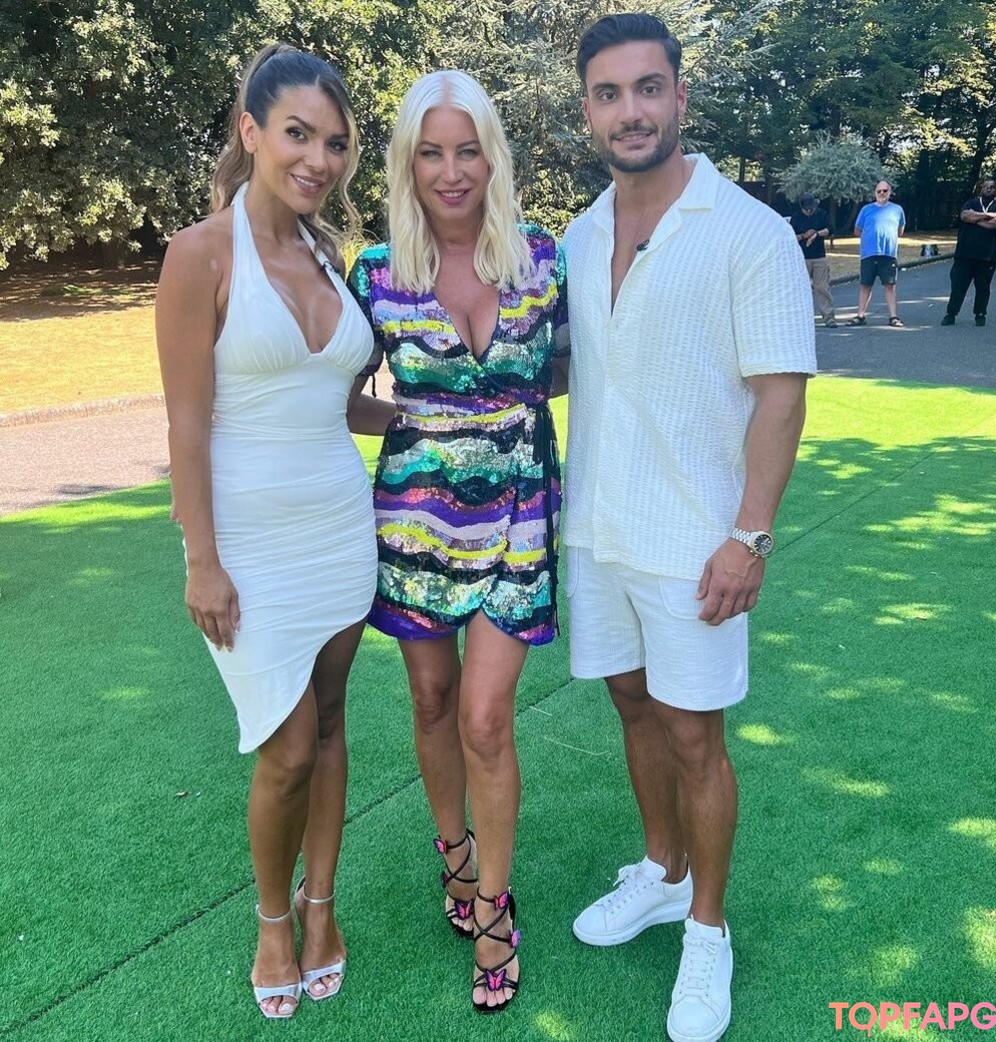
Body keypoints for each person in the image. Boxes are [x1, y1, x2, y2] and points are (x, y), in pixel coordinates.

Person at [563, 15, 816, 1042]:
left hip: (698, 544)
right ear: (588, 110)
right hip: (597, 530)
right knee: (631, 707)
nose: (631, 111)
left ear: (680, 96)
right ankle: (662, 872)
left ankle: (707, 931)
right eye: (609, 93)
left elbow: (782, 395)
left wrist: (749, 535)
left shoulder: (749, 231)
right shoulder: (579, 234)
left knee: (695, 737)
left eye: (648, 88)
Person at [155, 44, 392, 1019]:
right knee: (287, 746)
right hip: (247, 549)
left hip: (339, 528)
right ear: (251, 132)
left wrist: (432, 415)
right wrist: (202, 559)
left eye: (334, 143)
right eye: (299, 134)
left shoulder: (329, 257)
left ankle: (321, 906)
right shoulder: (200, 255)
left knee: (330, 724)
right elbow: (186, 426)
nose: (318, 159)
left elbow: (334, 402)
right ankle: (271, 921)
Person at [347, 69, 568, 1014]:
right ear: (408, 162)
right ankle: (455, 855)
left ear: (493, 156)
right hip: (416, 521)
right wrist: (418, 423)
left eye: (467, 150)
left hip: (520, 515)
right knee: (433, 700)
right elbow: (335, 393)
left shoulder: (544, 261)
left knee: (484, 716)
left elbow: (574, 368)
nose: (451, 171)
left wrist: (505, 413)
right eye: (431, 152)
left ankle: (492, 908)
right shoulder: (376, 273)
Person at [940, 179, 996, 327]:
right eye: (986, 187)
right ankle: (951, 313)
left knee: (983, 287)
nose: (989, 189)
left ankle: (980, 314)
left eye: (992, 187)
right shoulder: (971, 203)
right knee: (958, 285)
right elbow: (965, 216)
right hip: (965, 254)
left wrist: (976, 219)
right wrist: (988, 216)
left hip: (987, 256)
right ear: (981, 189)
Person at [849, 180, 905, 327]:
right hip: (869, 253)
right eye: (879, 191)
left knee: (890, 285)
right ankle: (860, 315)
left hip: (888, 253)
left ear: (890, 192)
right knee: (865, 284)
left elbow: (900, 230)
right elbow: (857, 230)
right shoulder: (866, 209)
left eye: (885, 190)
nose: (882, 193)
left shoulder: (897, 209)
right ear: (875, 193)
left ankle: (893, 317)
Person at [790, 192, 837, 326]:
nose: (809, 211)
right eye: (806, 209)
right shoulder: (796, 218)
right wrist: (803, 236)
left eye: (811, 208)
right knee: (800, 288)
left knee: (822, 287)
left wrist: (816, 234)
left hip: (819, 256)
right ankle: (800, 318)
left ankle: (829, 317)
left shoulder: (821, 214)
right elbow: (791, 237)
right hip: (802, 258)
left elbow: (829, 229)